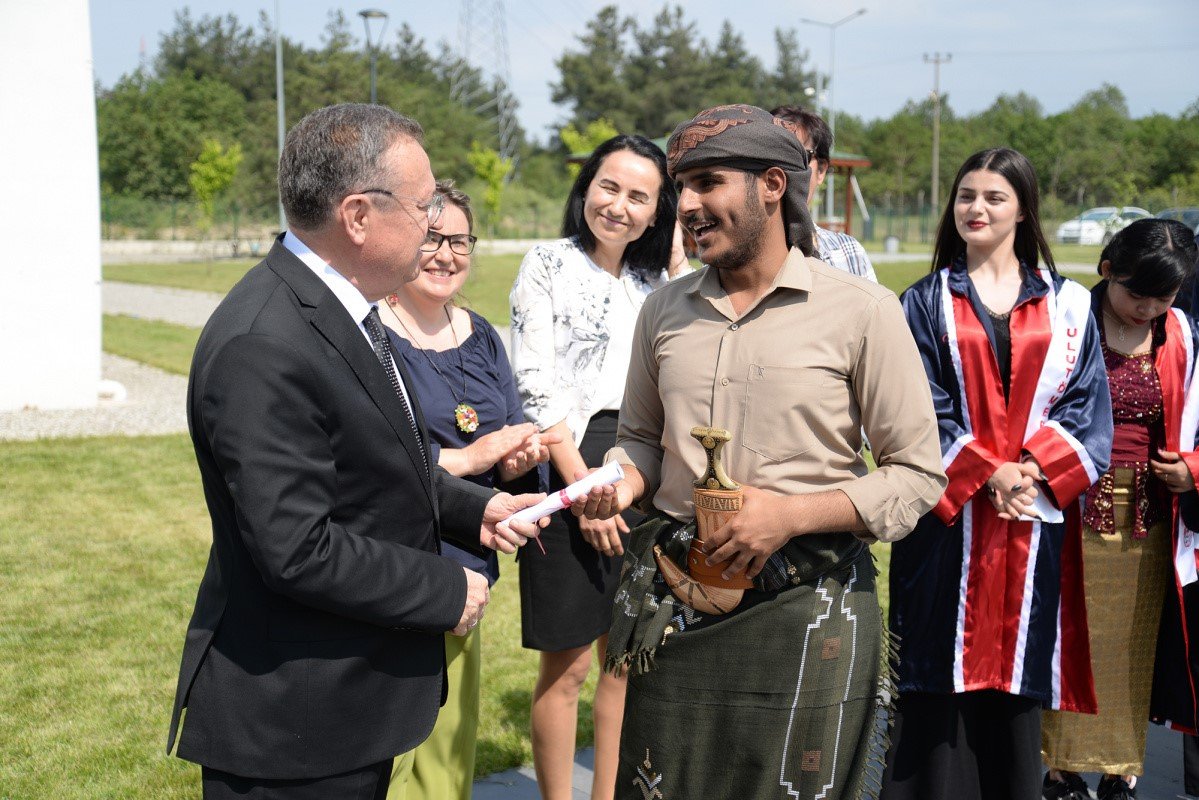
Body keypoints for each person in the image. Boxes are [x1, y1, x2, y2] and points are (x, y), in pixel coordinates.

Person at [166, 104, 547, 800]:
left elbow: (376, 465)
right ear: (358, 216)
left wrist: (474, 510)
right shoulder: (267, 342)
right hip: (294, 729)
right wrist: (442, 588)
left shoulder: (345, 311)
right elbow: (297, 546)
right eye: (424, 203)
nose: (435, 223)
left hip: (346, 711)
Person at [574, 104, 946, 800]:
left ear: (772, 185)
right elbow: (641, 441)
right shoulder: (663, 310)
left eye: (707, 183)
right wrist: (620, 482)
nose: (685, 205)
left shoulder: (862, 311)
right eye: (680, 187)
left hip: (806, 609)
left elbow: (917, 475)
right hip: (678, 605)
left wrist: (790, 516)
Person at [882, 147, 1113, 800]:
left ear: (1021, 210)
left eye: (993, 198)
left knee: (1013, 676)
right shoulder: (922, 301)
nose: (975, 208)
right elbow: (913, 403)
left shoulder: (1067, 306)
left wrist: (1032, 472)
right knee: (935, 673)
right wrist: (987, 473)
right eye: (965, 196)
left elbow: (1085, 401)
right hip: (944, 524)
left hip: (1030, 523)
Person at [509, 133, 686, 800]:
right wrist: (581, 492)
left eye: (639, 196)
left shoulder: (656, 285)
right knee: (569, 668)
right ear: (586, 187)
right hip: (566, 469)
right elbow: (535, 387)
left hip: (641, 474)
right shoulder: (546, 264)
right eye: (608, 187)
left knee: (624, 662)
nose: (618, 205)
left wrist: (671, 259)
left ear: (655, 211)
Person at [378, 180, 556, 800]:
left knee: (453, 745)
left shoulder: (481, 336)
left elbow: (504, 439)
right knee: (399, 747)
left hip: (471, 567)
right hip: (400, 563)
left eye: (459, 240)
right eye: (431, 238)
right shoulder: (373, 336)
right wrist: (474, 454)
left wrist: (516, 458)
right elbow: (375, 462)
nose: (446, 254)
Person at [1040, 218, 1199, 800]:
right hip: (1068, 506)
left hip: (1151, 520)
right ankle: (1059, 768)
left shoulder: (1182, 334)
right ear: (1107, 268)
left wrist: (1192, 471)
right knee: (1067, 639)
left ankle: (1121, 768)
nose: (1149, 308)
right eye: (1137, 293)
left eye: (1165, 296)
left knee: (1132, 644)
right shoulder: (1064, 322)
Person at [771, 104, 877, 282]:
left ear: (821, 171)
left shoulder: (849, 254)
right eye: (774, 155)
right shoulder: (734, 257)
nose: (782, 170)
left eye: (799, 156)